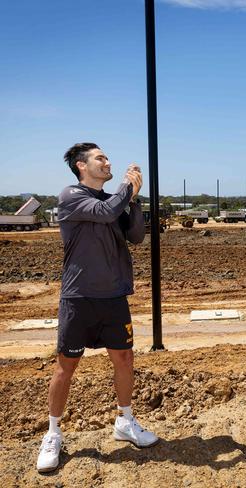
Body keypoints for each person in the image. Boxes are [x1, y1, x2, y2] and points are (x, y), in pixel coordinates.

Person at [36, 143, 159, 473]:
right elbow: (104, 213)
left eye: (107, 158)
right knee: (67, 365)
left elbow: (135, 236)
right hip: (79, 297)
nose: (108, 162)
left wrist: (133, 201)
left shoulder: (114, 201)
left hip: (114, 297)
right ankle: (53, 433)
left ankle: (125, 420)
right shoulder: (70, 196)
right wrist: (126, 189)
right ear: (81, 166)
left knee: (124, 358)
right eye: (100, 158)